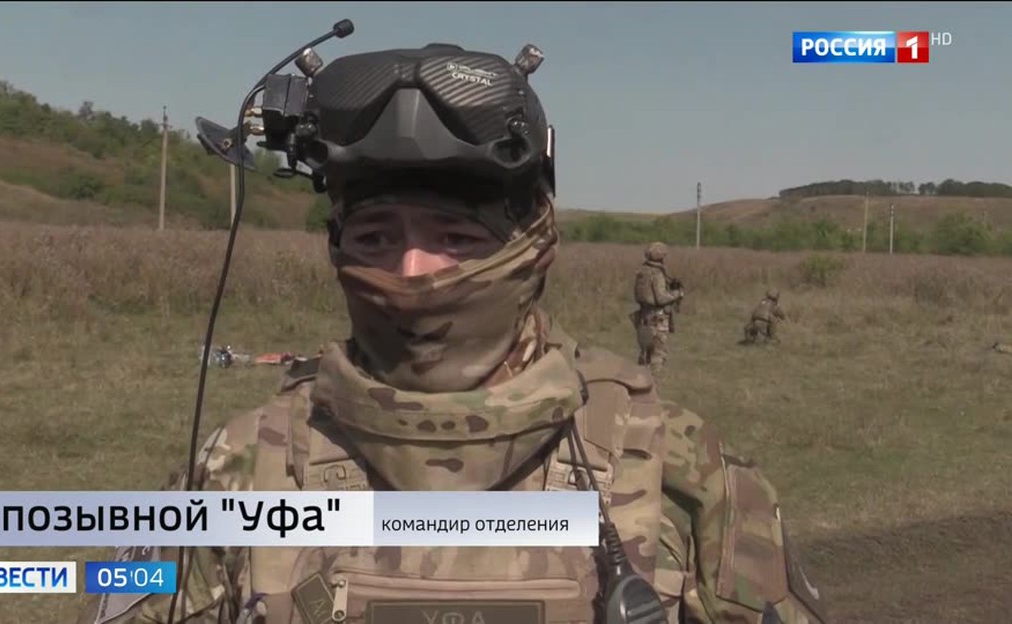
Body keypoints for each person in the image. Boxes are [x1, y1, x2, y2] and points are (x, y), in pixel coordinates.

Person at [81, 41, 826, 624]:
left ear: (531, 246)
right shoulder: (235, 468)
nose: (412, 272)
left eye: (455, 238)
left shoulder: (679, 467)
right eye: (376, 237)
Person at [631, 242, 684, 373]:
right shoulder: (657, 273)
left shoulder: (643, 271)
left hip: (643, 315)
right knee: (658, 353)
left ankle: (640, 378)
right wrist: (677, 294)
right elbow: (660, 298)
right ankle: (653, 381)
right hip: (657, 317)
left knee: (645, 352)